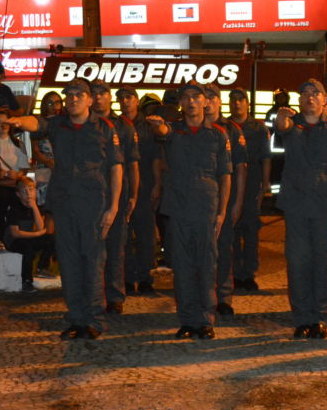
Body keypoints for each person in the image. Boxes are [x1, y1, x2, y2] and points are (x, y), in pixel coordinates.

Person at [6, 78, 122, 340]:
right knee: (68, 263)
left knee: (92, 262)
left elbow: (116, 167)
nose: (72, 99)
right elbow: (37, 123)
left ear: (90, 100)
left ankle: (93, 320)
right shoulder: (59, 124)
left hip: (93, 204)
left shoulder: (105, 128)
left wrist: (113, 206)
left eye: (79, 95)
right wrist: (18, 121)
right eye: (68, 95)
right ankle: (76, 318)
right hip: (64, 203)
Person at [273, 79, 327, 339]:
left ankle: (320, 317)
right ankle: (301, 317)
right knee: (297, 262)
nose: (309, 97)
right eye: (304, 93)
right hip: (296, 205)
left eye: (314, 93)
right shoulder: (291, 125)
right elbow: (280, 128)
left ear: (324, 101)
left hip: (324, 206)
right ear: (299, 101)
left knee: (323, 263)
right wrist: (281, 119)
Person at [152, 83, 231, 339]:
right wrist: (158, 125)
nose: (191, 102)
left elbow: (225, 176)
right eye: (186, 98)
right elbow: (162, 132)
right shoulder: (174, 131)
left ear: (206, 102)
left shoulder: (218, 135)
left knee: (206, 264)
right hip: (179, 207)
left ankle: (206, 319)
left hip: (207, 207)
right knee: (183, 265)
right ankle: (187, 320)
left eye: (196, 97)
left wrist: (221, 212)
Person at [91, 82, 139, 314]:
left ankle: (115, 295)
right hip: (89, 193)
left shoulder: (124, 127)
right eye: (95, 94)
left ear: (110, 98)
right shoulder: (84, 125)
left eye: (102, 94)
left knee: (116, 246)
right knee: (90, 247)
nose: (98, 98)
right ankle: (93, 295)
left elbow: (132, 163)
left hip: (118, 193)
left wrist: (134, 195)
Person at [203, 83, 247, 316]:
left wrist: (238, 202)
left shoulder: (232, 130)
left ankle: (224, 297)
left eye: (212, 97)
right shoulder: (196, 128)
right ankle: (205, 295)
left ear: (219, 102)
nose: (208, 102)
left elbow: (240, 169)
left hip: (225, 199)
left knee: (224, 248)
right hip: (200, 200)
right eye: (205, 97)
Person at [229, 88, 271, 292]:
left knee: (251, 230)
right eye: (233, 100)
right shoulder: (225, 127)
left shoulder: (258, 128)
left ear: (247, 103)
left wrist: (265, 184)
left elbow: (266, 158)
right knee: (232, 231)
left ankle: (249, 274)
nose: (237, 104)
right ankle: (235, 273)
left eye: (240, 100)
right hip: (232, 182)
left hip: (253, 182)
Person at [121, 87, 162, 295]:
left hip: (145, 186)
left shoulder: (148, 125)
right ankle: (127, 279)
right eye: (121, 98)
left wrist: (157, 184)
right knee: (124, 237)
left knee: (146, 234)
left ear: (137, 101)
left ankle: (145, 278)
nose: (125, 101)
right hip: (121, 187)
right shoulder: (116, 124)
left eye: (129, 97)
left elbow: (156, 157)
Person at [0, 109, 31, 244]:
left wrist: (17, 174)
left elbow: (24, 168)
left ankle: (17, 235)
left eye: (5, 122)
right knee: (1, 196)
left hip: (12, 183)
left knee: (19, 197)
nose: (3, 126)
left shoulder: (17, 144)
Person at [4, 177, 54, 293]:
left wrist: (35, 207)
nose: (28, 193)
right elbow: (15, 233)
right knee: (28, 249)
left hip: (30, 237)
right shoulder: (14, 210)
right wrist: (36, 234)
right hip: (14, 241)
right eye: (24, 191)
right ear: (18, 194)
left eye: (31, 190)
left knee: (52, 239)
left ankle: (42, 267)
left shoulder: (36, 207)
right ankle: (26, 281)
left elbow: (41, 227)